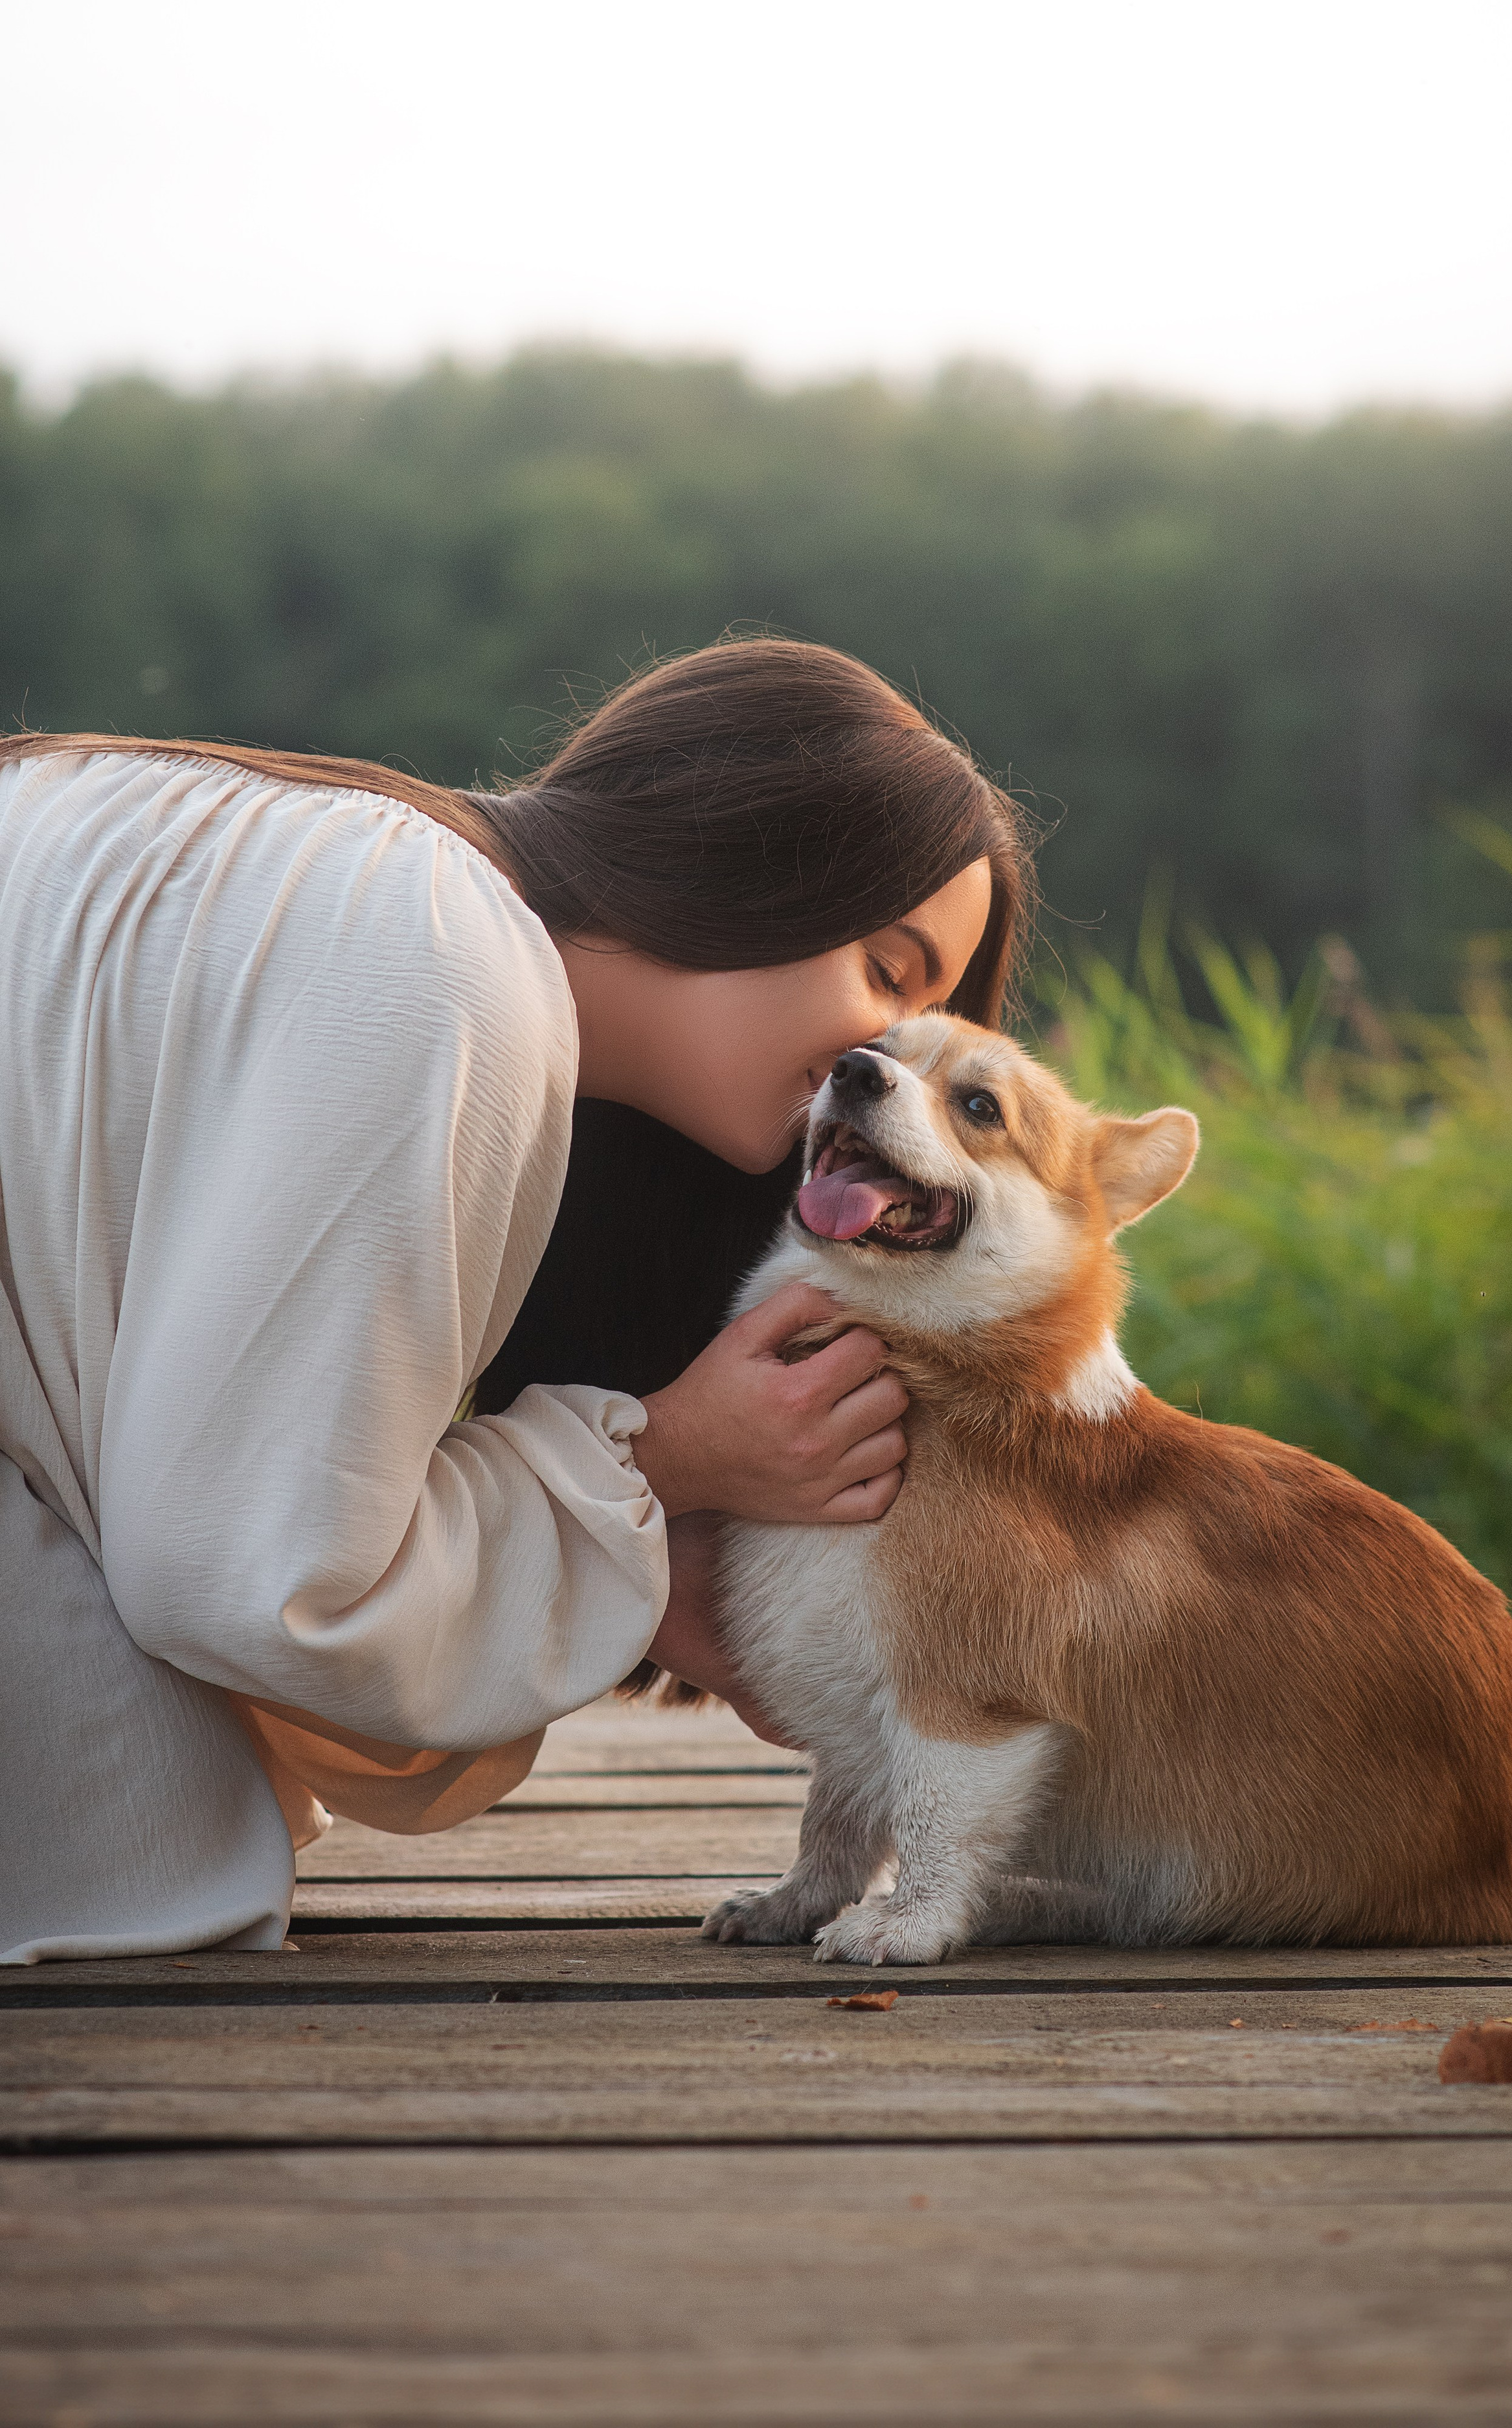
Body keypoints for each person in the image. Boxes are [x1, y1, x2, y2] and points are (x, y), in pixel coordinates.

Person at [0, 637, 1033, 1962]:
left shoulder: (400, 898)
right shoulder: (442, 964)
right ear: (751, 858)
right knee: (152, 1867)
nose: (881, 1060)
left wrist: (651, 1560)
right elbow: (245, 1576)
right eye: (891, 975)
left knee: (176, 1825)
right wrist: (658, 1460)